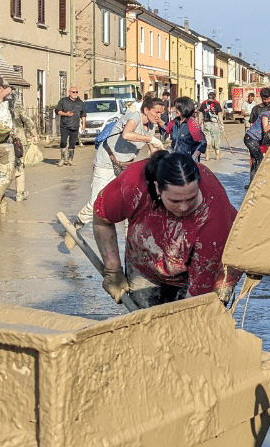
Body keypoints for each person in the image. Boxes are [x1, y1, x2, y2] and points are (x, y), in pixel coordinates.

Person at [93, 151, 243, 309]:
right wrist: (113, 270)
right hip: (147, 263)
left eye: (191, 198)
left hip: (210, 269)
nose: (184, 207)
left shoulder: (214, 215)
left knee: (198, 324)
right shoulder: (133, 185)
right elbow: (102, 218)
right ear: (158, 188)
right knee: (145, 324)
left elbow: (196, 298)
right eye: (175, 200)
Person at [64, 93, 166, 249]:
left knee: (130, 202)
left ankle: (130, 243)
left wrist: (161, 156)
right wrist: (150, 140)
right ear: (146, 109)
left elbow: (153, 149)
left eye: (161, 113)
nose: (159, 116)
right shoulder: (134, 116)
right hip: (107, 160)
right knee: (96, 202)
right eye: (156, 112)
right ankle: (75, 227)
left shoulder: (151, 126)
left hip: (126, 166)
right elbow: (127, 134)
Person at [0, 81, 37, 216]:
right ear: (1, 89)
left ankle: (2, 207)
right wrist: (34, 135)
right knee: (9, 174)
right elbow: (27, 120)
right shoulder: (12, 104)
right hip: (8, 145)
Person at [244, 99, 270, 186]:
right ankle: (257, 183)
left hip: (254, 140)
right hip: (250, 138)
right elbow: (265, 129)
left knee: (254, 160)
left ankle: (252, 183)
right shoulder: (265, 115)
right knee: (259, 158)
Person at [164, 97, 207, 161]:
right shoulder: (175, 121)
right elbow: (167, 128)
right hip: (176, 159)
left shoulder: (192, 123)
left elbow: (202, 142)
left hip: (189, 161)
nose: (175, 110)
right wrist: (158, 120)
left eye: (177, 108)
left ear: (184, 108)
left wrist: (193, 157)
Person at [55, 86, 85, 165]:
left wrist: (83, 125)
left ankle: (70, 159)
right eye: (73, 92)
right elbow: (57, 111)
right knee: (63, 142)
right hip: (64, 125)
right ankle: (62, 158)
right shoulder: (63, 101)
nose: (75, 94)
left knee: (72, 143)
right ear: (69, 92)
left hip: (75, 126)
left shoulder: (80, 103)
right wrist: (66, 114)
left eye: (76, 92)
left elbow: (83, 114)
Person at [197, 91, 224, 160]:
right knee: (216, 140)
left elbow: (200, 114)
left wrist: (199, 124)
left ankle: (207, 157)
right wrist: (222, 124)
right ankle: (217, 155)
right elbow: (220, 114)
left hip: (206, 124)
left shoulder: (204, 103)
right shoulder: (217, 104)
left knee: (207, 140)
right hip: (214, 124)